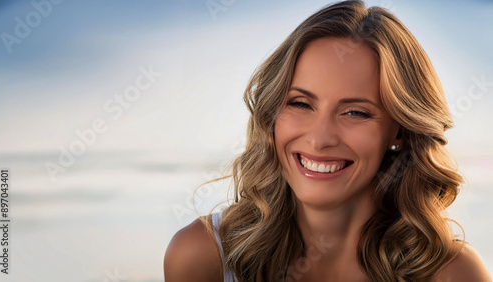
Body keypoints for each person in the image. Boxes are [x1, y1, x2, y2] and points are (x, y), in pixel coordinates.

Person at [164, 1, 492, 281]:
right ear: (273, 113)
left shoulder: (452, 273)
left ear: (400, 132)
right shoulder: (204, 256)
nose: (320, 139)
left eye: (355, 113)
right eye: (301, 103)